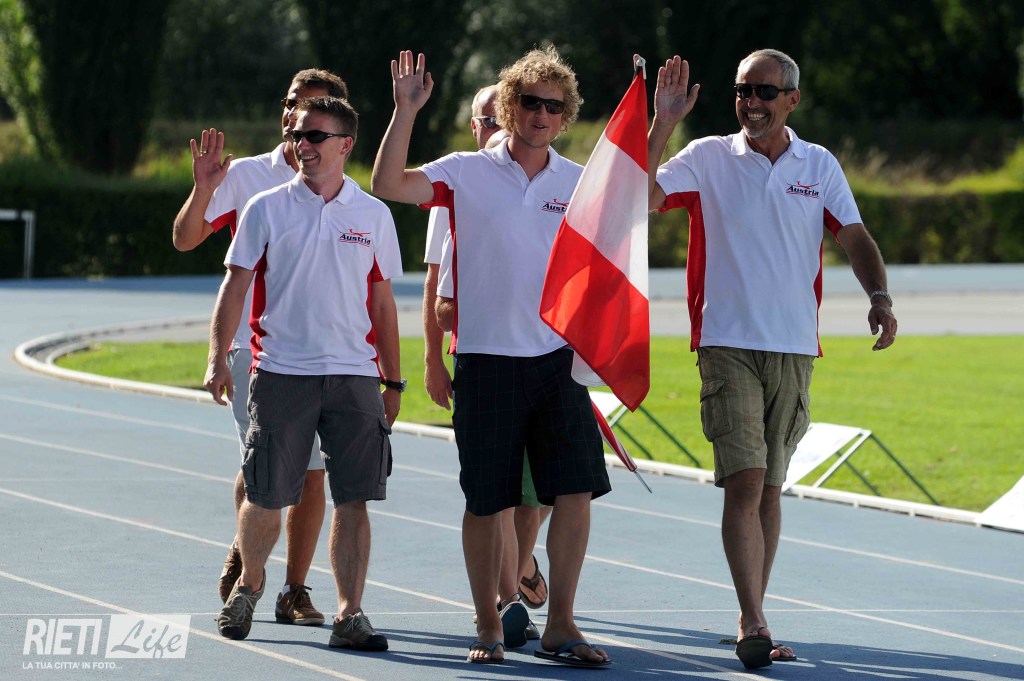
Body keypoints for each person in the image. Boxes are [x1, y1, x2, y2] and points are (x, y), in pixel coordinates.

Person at [647, 50, 898, 669]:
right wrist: (663, 122)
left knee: (770, 489)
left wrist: (880, 297)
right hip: (725, 341)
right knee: (746, 479)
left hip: (794, 347)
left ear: (792, 99)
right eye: (742, 91)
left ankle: (750, 613)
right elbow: (641, 196)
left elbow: (854, 236)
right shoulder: (707, 156)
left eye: (764, 91)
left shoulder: (819, 164)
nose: (751, 102)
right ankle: (755, 621)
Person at [373, 47, 611, 667]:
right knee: (487, 500)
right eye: (529, 101)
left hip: (558, 361)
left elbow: (632, 213)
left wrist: (661, 120)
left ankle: (561, 624)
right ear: (508, 106)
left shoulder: (578, 181)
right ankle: (488, 624)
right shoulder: (466, 171)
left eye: (552, 105)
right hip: (486, 361)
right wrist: (405, 111)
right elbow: (388, 185)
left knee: (575, 491)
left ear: (565, 115)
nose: (540, 113)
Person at [204, 95, 403, 649]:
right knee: (266, 493)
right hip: (281, 373)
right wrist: (217, 356)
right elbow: (235, 286)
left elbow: (383, 303)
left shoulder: (374, 214)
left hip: (354, 377)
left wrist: (393, 379)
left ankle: (350, 614)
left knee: (354, 499)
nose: (302, 145)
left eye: (315, 136)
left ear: (345, 144)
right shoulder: (265, 207)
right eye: (297, 135)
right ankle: (249, 587)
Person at [172, 69, 348, 626]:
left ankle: (294, 589)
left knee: (313, 474)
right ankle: (248, 555)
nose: (298, 117)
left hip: (324, 352)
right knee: (264, 468)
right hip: (256, 350)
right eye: (293, 104)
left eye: (313, 109)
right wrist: (204, 187)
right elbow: (185, 238)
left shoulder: (343, 186)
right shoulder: (247, 175)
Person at [425, 85, 550, 641]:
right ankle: (505, 600)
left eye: (504, 116)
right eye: (488, 118)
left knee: (540, 493)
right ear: (477, 124)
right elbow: (438, 288)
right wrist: (433, 359)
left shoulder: (549, 181)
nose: (498, 127)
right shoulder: (459, 184)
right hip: (482, 358)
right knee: (496, 491)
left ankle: (519, 565)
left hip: (543, 362)